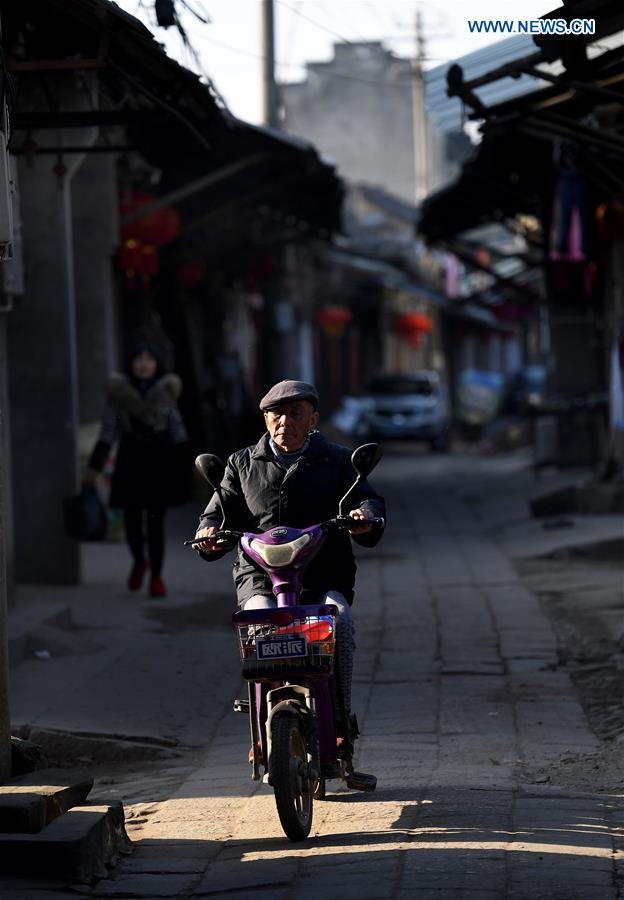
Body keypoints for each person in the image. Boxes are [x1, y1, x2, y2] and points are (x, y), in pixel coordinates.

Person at [192, 378, 385, 733]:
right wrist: (209, 532)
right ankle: (264, 727)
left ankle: (339, 720)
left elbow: (367, 500)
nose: (285, 423)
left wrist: (365, 517)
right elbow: (215, 514)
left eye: (295, 414)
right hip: (260, 577)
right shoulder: (240, 465)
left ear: (313, 419)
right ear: (265, 420)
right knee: (259, 625)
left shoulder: (338, 460)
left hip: (322, 573)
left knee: (339, 620)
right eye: (275, 415)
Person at [84, 342, 190, 598]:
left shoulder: (166, 393)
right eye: (139, 358)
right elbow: (108, 433)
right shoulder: (120, 395)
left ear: (157, 364)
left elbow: (178, 433)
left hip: (158, 463)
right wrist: (94, 468)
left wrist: (188, 467)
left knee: (155, 524)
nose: (144, 364)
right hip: (130, 461)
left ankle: (156, 577)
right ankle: (139, 560)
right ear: (131, 364)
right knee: (131, 520)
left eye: (149, 359)